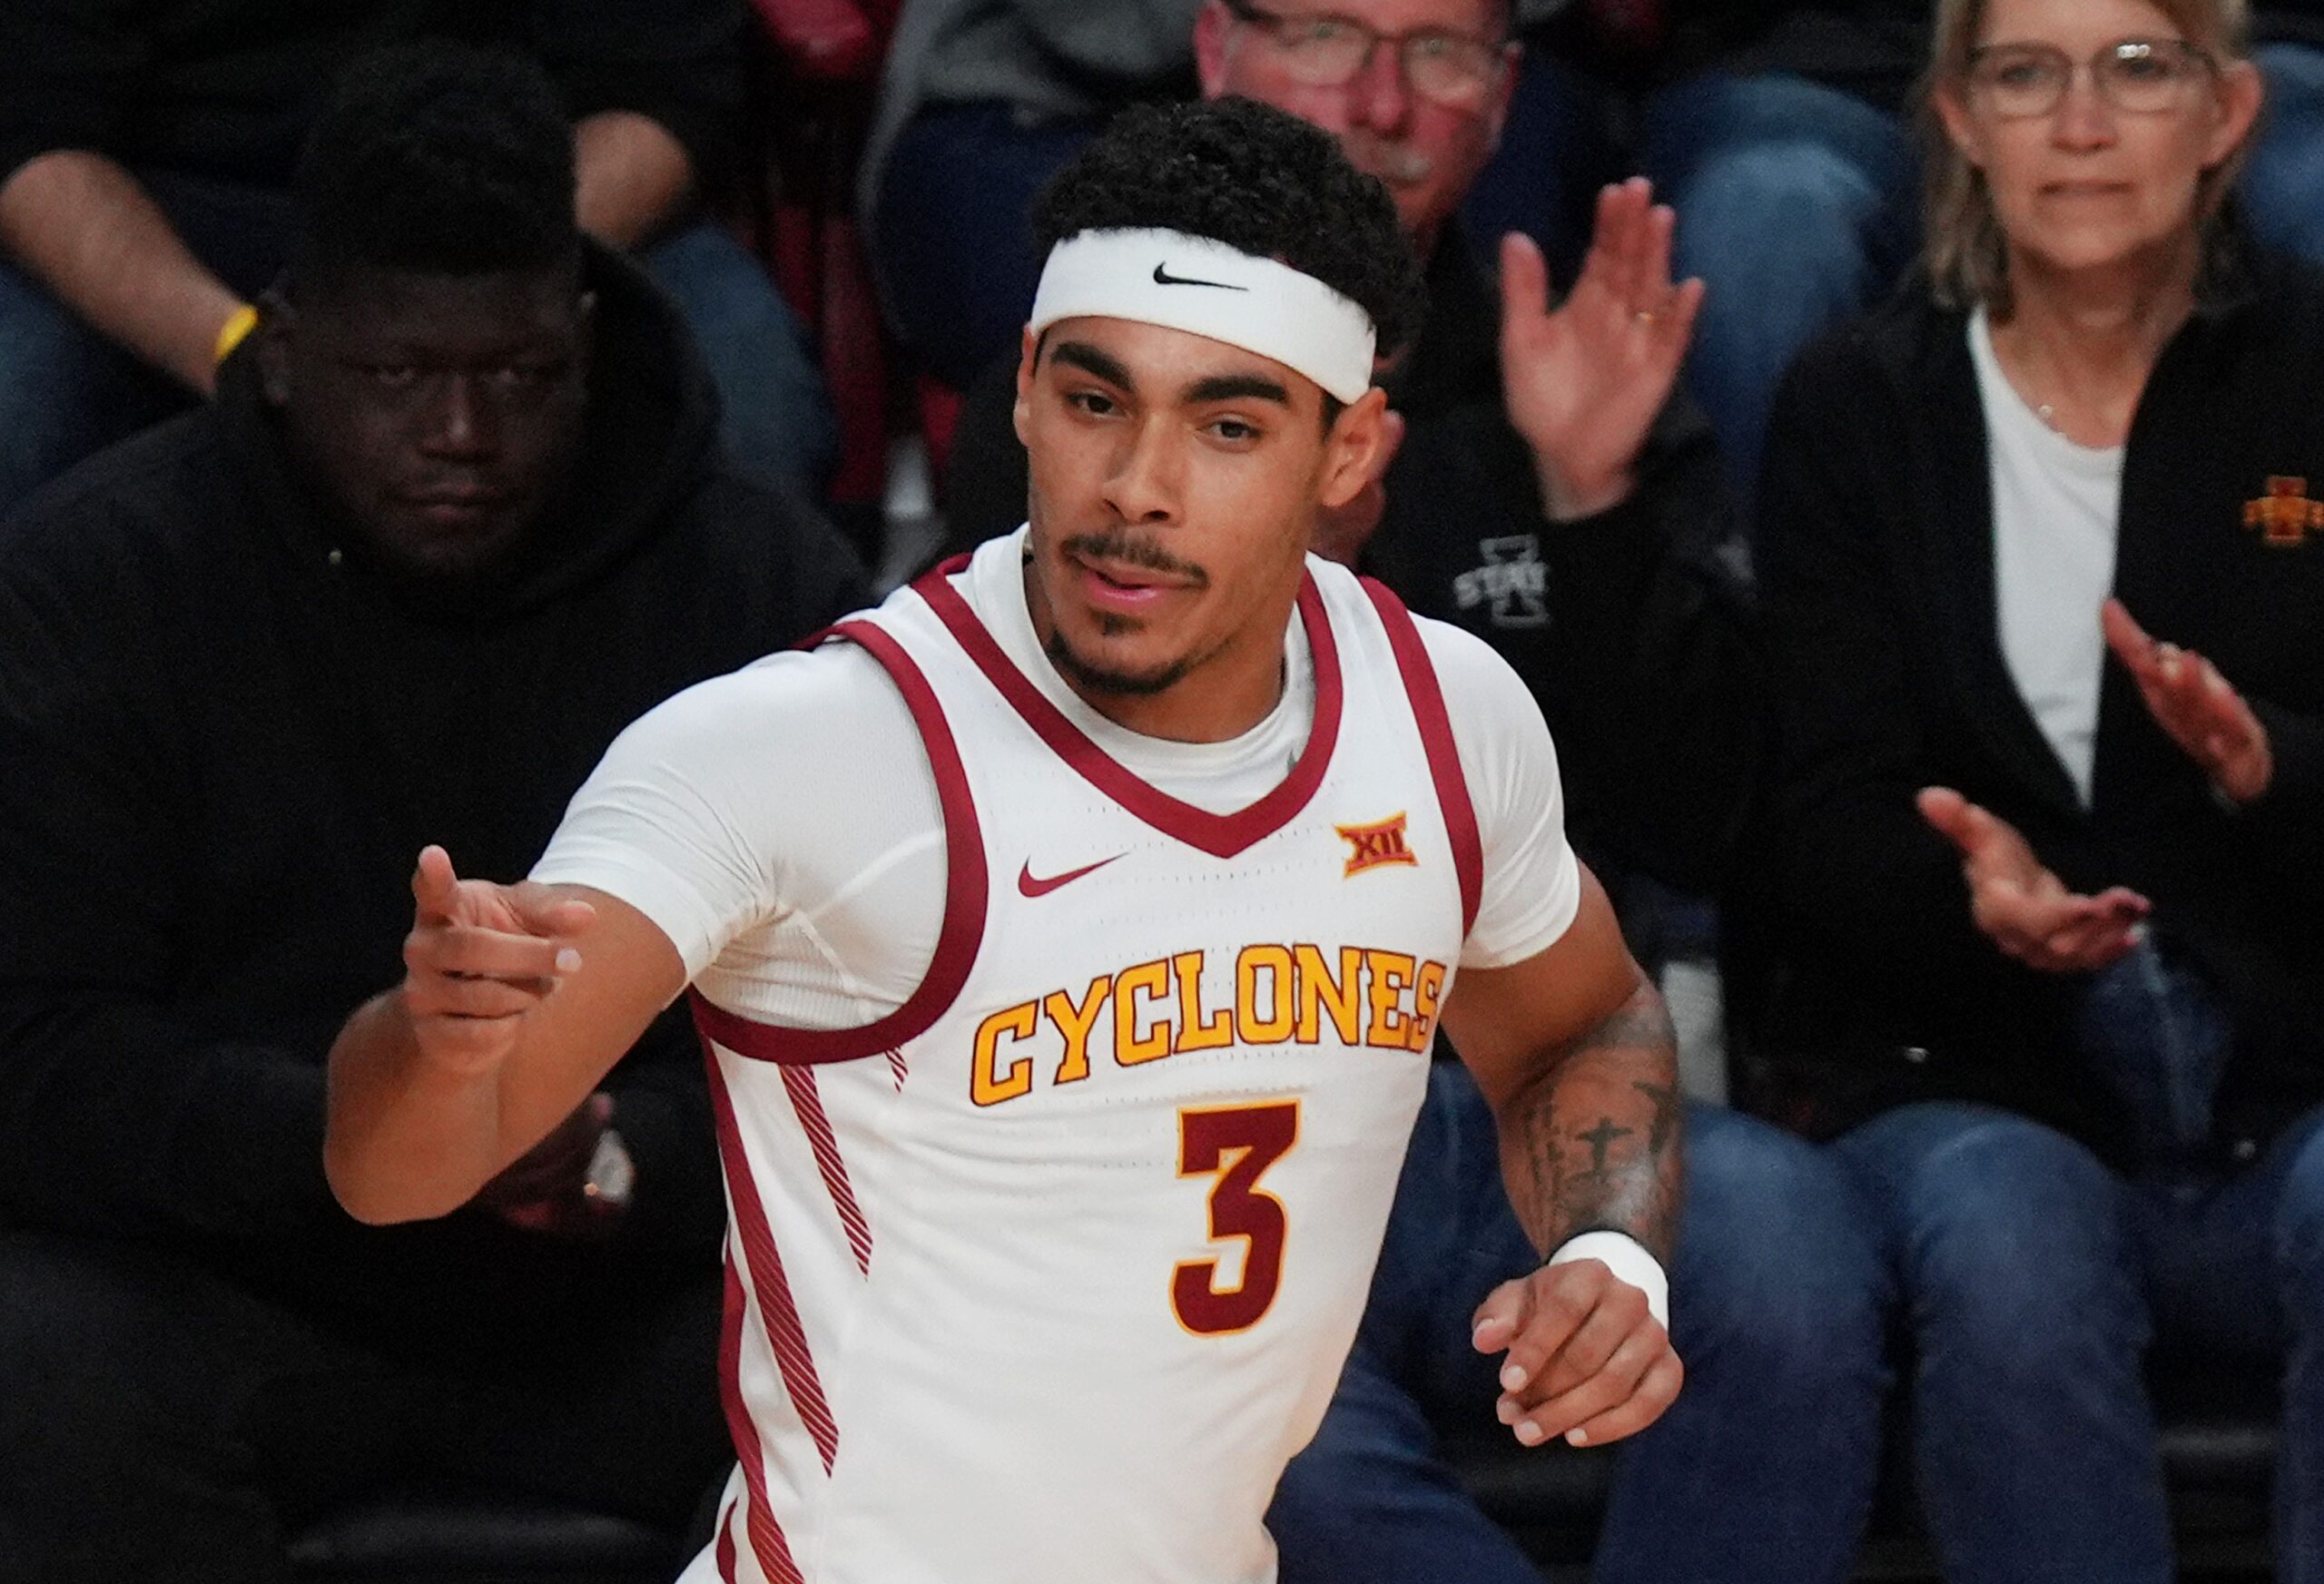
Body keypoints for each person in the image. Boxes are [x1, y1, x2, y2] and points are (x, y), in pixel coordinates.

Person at [323, 96, 1688, 1584]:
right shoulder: (806, 748)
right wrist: (434, 1041)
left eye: (1228, 426)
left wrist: (1607, 1251)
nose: (1138, 485)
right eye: (1098, 401)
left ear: (1350, 450)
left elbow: (1581, 1023)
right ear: (1027, 389)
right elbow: (397, 1173)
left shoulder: (1444, 717)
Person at [0, 46, 866, 1583]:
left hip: (631, 1299)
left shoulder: (763, 591)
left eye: (516, 377)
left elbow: (870, 1040)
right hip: (231, 1287)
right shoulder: (94, 585)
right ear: (282, 353)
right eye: (399, 379)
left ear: (582, 342)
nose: (462, 432)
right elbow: (36, 1052)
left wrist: (618, 1158)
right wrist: (350, 1131)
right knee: (34, 1360)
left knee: (913, 1356)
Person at [1744, 0, 2324, 1577]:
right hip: (1978, 1083)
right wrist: (1972, 894)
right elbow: (1820, 819)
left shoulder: (2311, 377)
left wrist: (2273, 767)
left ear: (2225, 113)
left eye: (2137, 67)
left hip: (2292, 1085)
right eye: (2025, 73)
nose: (2080, 122)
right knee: (2007, 1244)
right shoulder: (1858, 406)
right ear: (1958, 115)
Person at [0, 1, 836, 517]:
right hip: (171, 216)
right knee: (16, 397)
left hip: (522, 203)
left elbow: (664, 97)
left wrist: (480, 284)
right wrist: (240, 352)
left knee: (746, 385)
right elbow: (32, 140)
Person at [1465, 1, 1930, 503]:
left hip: (1829, 82)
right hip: (1556, 59)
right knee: (1455, 134)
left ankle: (1758, 545)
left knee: (1764, 221)